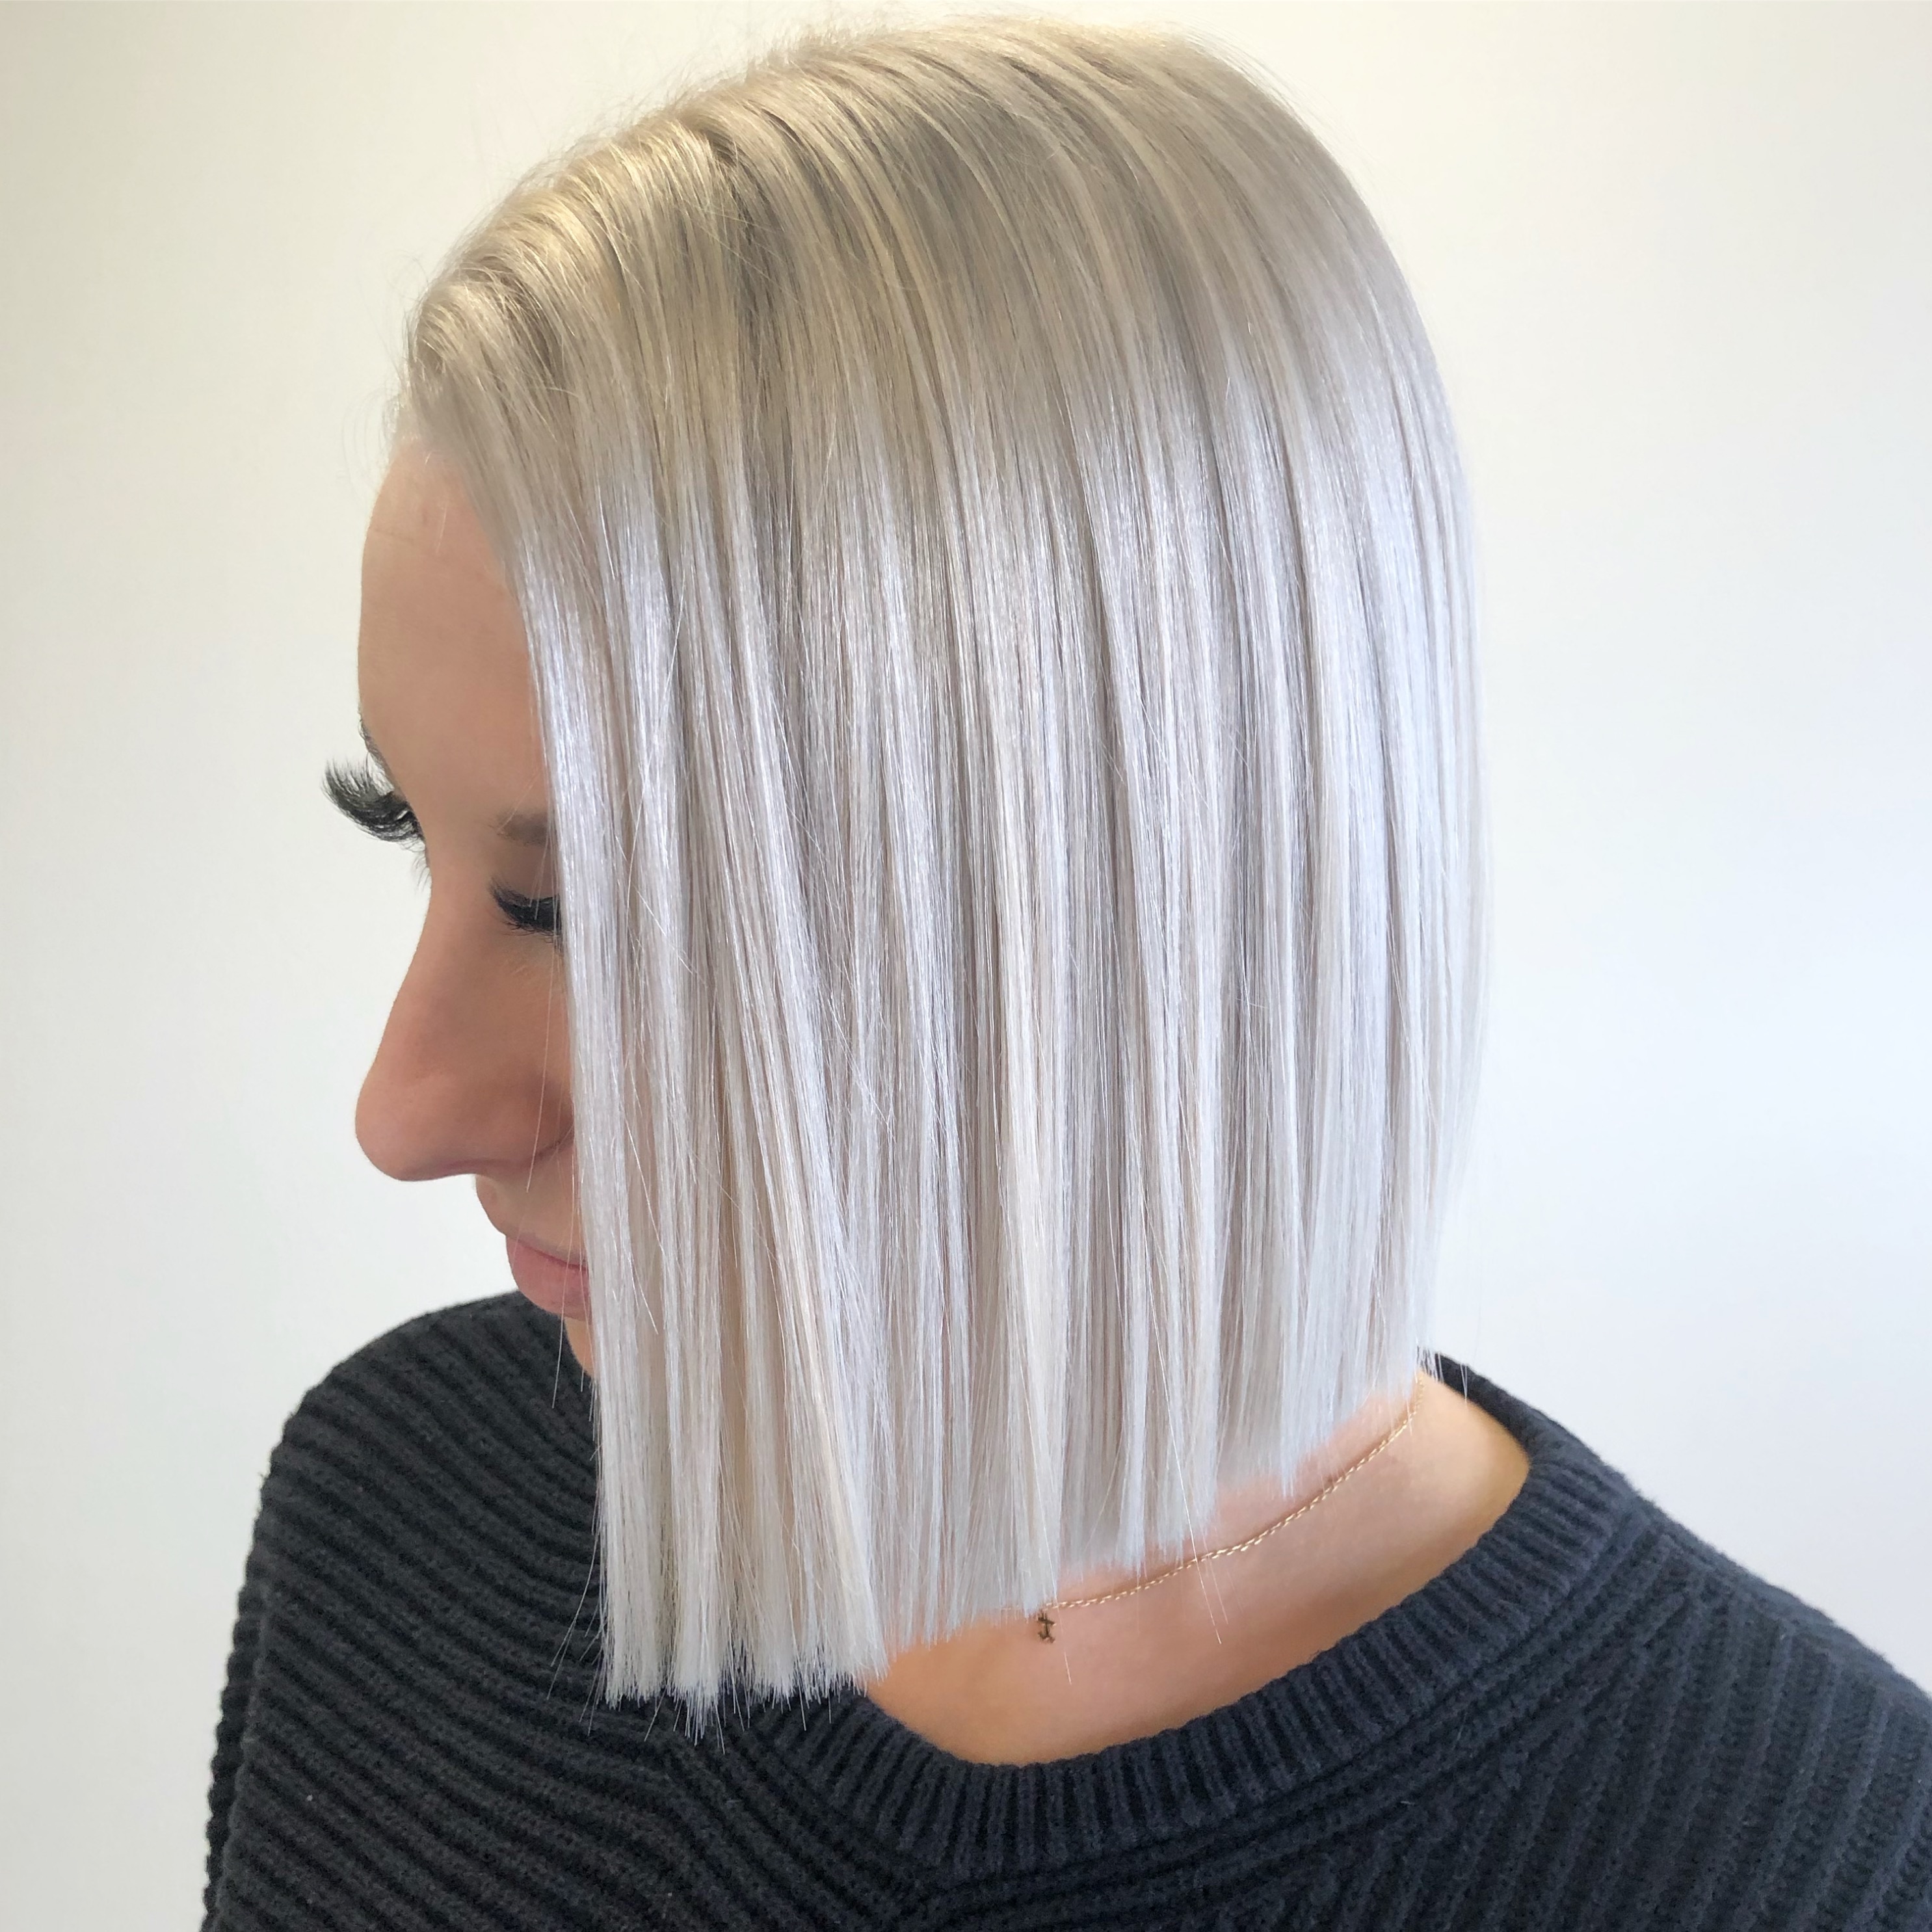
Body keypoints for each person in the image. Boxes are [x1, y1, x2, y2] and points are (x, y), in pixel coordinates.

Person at [202, 16, 1932, 1929]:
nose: (404, 1108)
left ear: (1130, 891)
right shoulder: (401, 1521)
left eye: (584, 912)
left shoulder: (1816, 1860)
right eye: (407, 829)